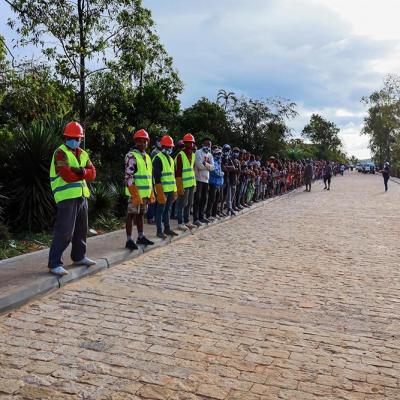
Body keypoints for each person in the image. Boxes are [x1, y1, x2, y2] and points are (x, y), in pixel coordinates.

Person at [48, 122, 96, 276]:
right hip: (66, 197)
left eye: (78, 138)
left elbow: (93, 173)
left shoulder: (83, 153)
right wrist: (84, 172)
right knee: (64, 231)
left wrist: (80, 170)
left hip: (81, 196)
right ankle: (55, 263)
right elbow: (66, 175)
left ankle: (79, 256)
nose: (75, 141)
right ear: (66, 137)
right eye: (72, 138)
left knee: (81, 230)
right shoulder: (60, 153)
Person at [124, 129, 155, 250]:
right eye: (140, 141)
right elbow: (128, 176)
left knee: (141, 215)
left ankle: (141, 237)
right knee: (131, 215)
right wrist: (134, 192)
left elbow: (149, 175)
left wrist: (151, 191)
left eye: (145, 141)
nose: (143, 143)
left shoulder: (147, 157)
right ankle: (129, 240)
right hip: (135, 193)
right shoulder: (131, 156)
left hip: (145, 193)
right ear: (136, 142)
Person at [153, 135, 178, 239]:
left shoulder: (171, 159)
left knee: (167, 210)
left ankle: (167, 229)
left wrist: (175, 190)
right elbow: (157, 178)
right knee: (160, 211)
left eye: (170, 147)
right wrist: (159, 192)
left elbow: (172, 176)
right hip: (162, 190)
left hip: (170, 189)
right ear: (162, 146)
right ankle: (159, 231)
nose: (169, 149)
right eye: (166, 146)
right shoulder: (158, 158)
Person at [175, 133, 197, 231]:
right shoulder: (180, 155)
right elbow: (178, 173)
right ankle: (180, 223)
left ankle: (187, 221)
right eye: (188, 143)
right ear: (185, 143)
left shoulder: (193, 155)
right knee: (182, 203)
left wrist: (194, 183)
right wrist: (179, 186)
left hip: (191, 183)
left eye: (192, 143)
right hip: (183, 184)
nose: (190, 145)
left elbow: (191, 169)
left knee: (189, 203)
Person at [193, 137, 214, 226]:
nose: (208, 146)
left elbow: (213, 168)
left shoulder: (210, 155)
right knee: (197, 199)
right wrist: (207, 165)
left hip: (206, 179)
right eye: (206, 144)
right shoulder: (198, 152)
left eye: (209, 145)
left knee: (204, 199)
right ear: (202, 144)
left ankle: (202, 217)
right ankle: (196, 218)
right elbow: (199, 165)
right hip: (198, 179)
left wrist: (205, 163)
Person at [206, 147, 224, 220]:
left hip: (218, 183)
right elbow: (214, 172)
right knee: (211, 200)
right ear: (215, 154)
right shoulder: (213, 161)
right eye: (218, 153)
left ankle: (214, 214)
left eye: (220, 154)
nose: (219, 155)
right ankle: (208, 215)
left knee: (217, 200)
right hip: (213, 183)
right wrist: (221, 174)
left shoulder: (219, 162)